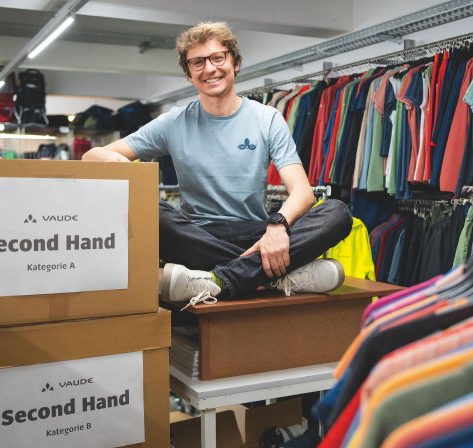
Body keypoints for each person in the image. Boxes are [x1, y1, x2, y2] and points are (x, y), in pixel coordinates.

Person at [83, 21, 352, 307]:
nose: (209, 69)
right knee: (149, 208)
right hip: (196, 236)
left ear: (236, 63)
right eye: (197, 62)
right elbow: (91, 157)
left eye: (217, 58)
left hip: (256, 232)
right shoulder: (173, 122)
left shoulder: (267, 118)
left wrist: (277, 226)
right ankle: (272, 276)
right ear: (189, 74)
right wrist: (124, 166)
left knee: (337, 213)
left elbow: (302, 191)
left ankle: (217, 279)